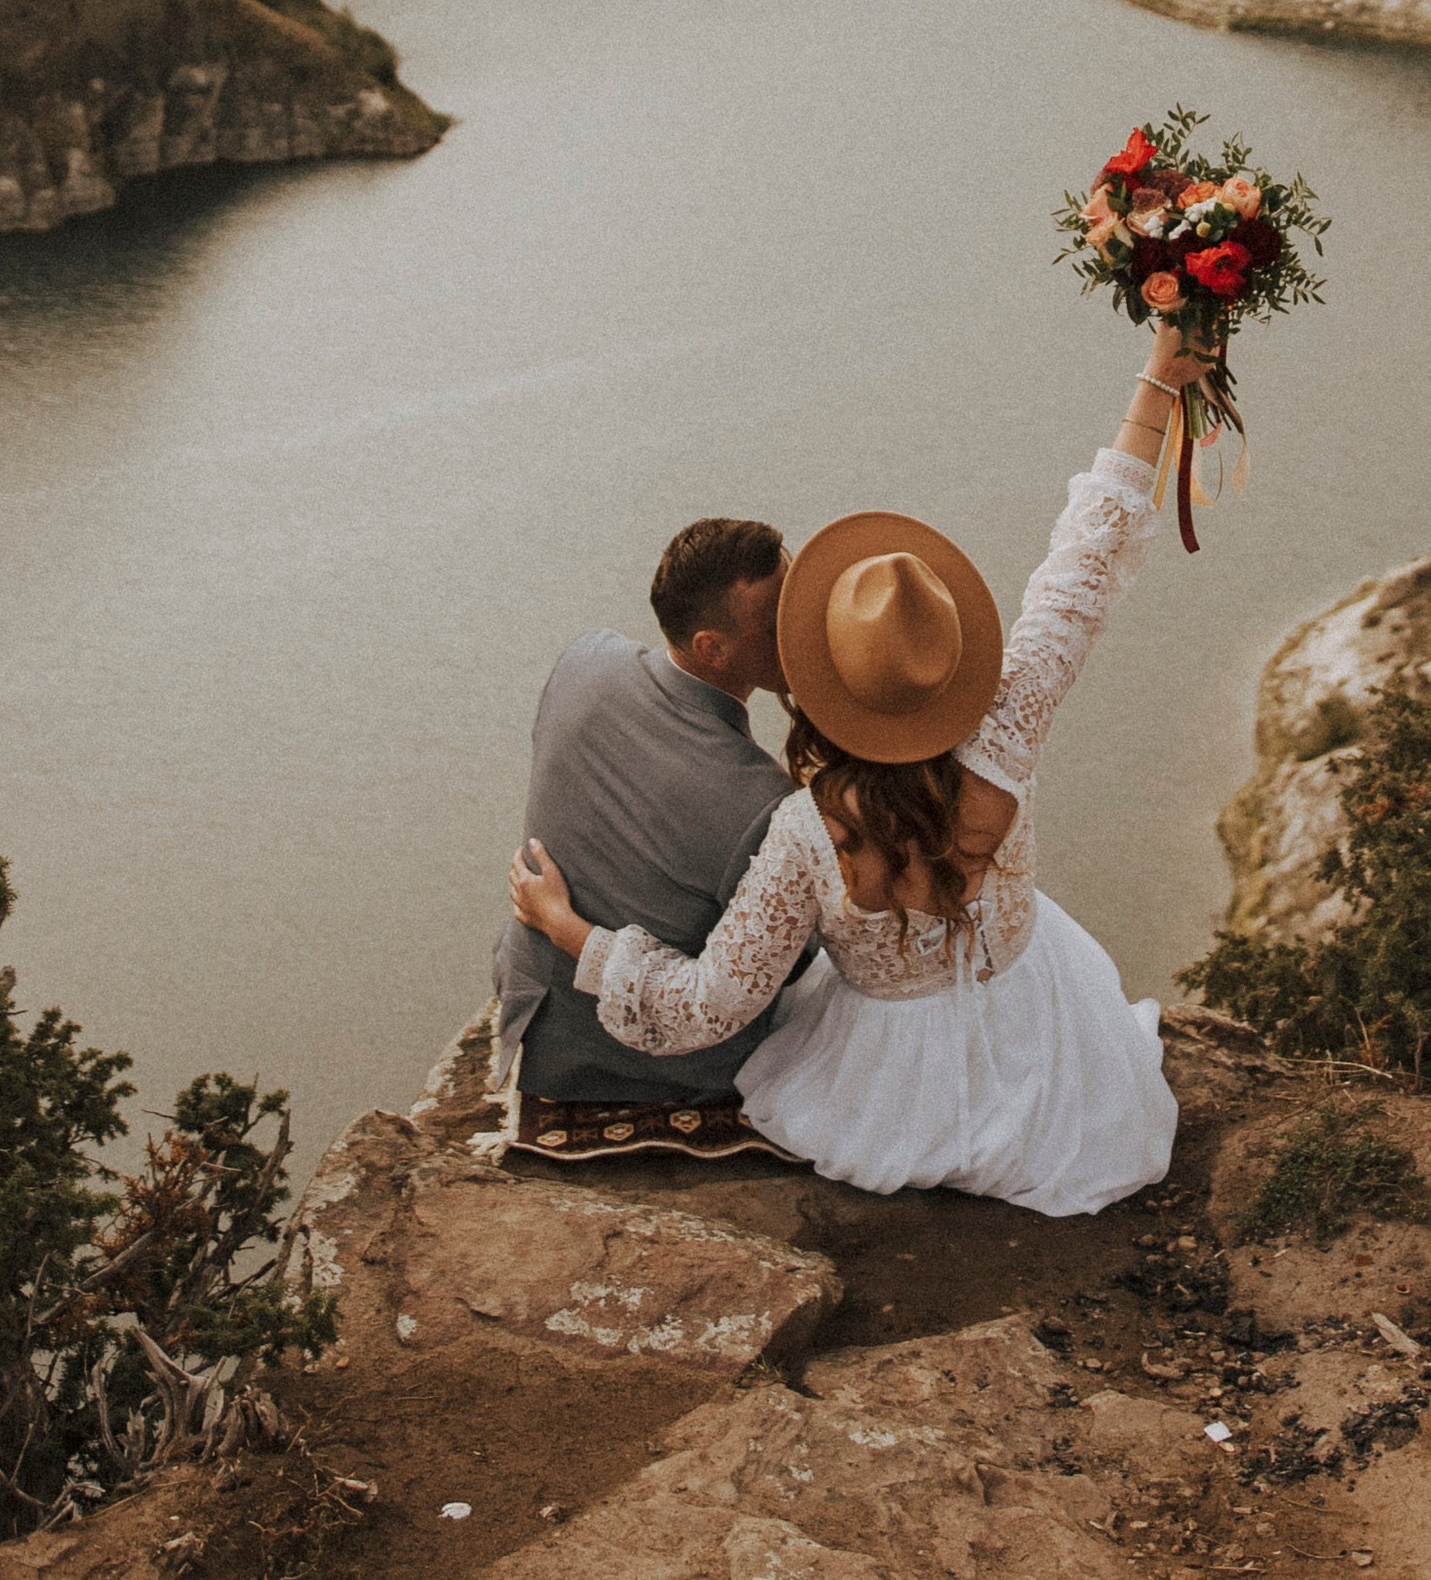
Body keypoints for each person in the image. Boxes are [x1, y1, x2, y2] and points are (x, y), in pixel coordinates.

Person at [507, 329, 1186, 1215]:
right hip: (1039, 1022)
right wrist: (1160, 382)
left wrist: (567, 929)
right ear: (952, 654)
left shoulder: (804, 829)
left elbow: (704, 1005)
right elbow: (1083, 562)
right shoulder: (1011, 722)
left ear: (830, 685)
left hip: (891, 1084)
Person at [490, 510, 799, 1160]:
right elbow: (781, 967)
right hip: (631, 1058)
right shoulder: (759, 800)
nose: (802, 625)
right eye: (779, 620)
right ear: (714, 647)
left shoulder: (583, 660)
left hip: (532, 1001)